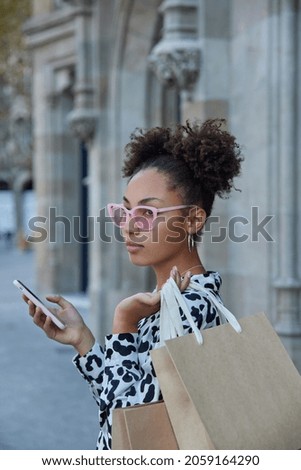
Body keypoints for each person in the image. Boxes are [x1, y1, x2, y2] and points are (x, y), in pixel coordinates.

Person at [24, 119, 243, 450]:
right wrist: (82, 341)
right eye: (124, 213)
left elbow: (125, 426)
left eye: (147, 213)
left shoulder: (191, 311)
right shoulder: (169, 302)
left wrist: (124, 324)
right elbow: (121, 402)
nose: (129, 227)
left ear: (193, 219)